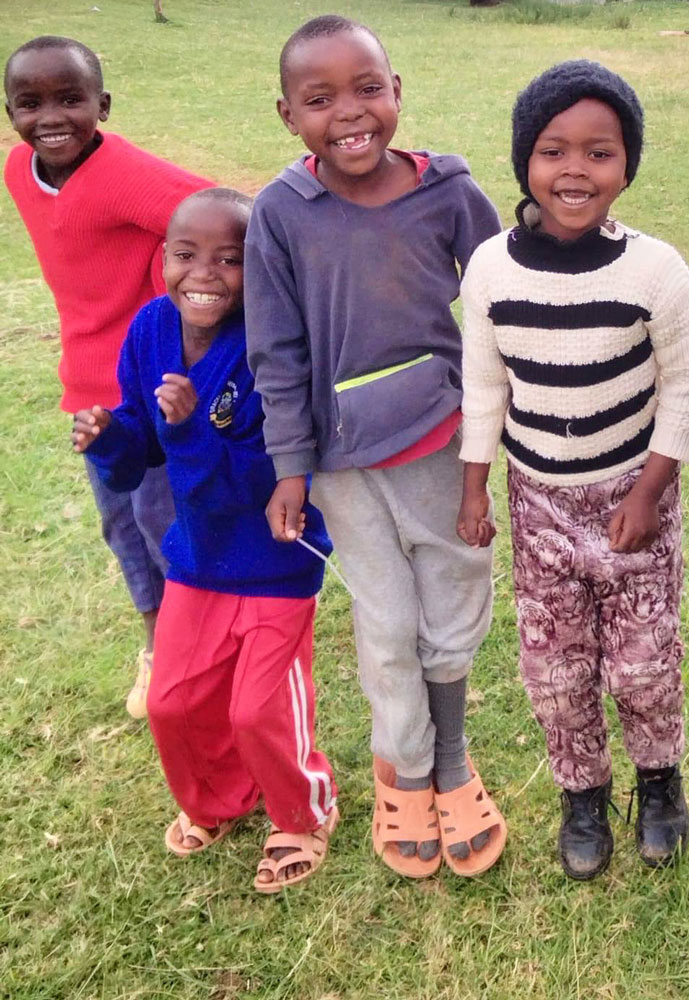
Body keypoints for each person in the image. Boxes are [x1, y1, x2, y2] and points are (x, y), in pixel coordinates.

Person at [244, 15, 505, 879]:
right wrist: (290, 466)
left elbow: (507, 301)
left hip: (440, 447)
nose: (349, 113)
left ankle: (455, 761)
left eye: (368, 88)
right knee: (388, 625)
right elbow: (275, 351)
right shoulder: (282, 212)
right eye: (320, 100)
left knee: (451, 607)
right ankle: (408, 771)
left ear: (398, 93)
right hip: (342, 466)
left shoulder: (450, 191)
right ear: (288, 115)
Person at [457, 61, 689, 880]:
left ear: (627, 165)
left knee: (642, 662)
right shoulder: (492, 269)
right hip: (537, 505)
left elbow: (684, 386)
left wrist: (648, 492)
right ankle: (581, 794)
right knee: (557, 668)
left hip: (636, 501)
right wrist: (474, 487)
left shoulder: (656, 271)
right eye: (553, 150)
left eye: (599, 153)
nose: (575, 171)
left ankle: (660, 783)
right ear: (524, 161)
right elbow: (485, 384)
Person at [73, 189, 339, 893]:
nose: (206, 274)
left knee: (259, 706)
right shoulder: (150, 327)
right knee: (172, 699)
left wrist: (190, 429)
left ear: (259, 267)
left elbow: (261, 480)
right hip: (196, 558)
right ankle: (221, 798)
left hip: (275, 559)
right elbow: (143, 456)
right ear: (164, 259)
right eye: (187, 255)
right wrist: (109, 441)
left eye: (230, 259)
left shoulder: (269, 348)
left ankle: (302, 811)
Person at [4, 35, 213, 718]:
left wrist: (168, 290)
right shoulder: (17, 171)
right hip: (87, 392)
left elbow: (212, 214)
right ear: (10, 113)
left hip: (150, 387)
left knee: (162, 520)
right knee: (119, 523)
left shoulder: (122, 172)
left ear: (104, 105)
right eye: (29, 103)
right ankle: (157, 640)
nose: (51, 117)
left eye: (71, 98)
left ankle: (196, 647)